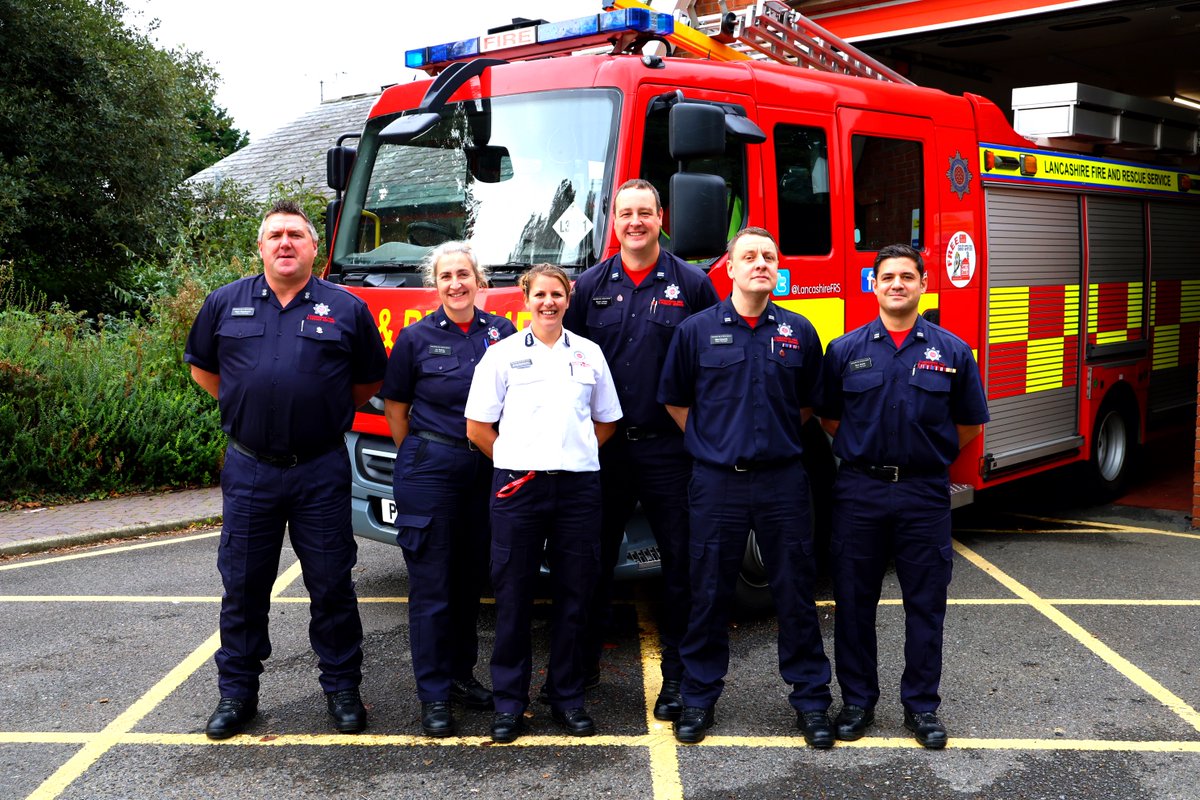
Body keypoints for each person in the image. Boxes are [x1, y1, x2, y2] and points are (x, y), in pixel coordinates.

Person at [185, 200, 388, 739]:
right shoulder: (225, 303)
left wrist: (313, 409)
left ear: (313, 246)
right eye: (275, 234)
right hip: (250, 469)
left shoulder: (346, 309)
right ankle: (237, 695)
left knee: (331, 585)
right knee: (244, 584)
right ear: (260, 245)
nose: (284, 243)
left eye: (295, 234)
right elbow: (205, 370)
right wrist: (246, 408)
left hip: (320, 467)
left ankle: (343, 690)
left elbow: (367, 382)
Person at [657, 227, 833, 747]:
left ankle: (811, 701)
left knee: (796, 593)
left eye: (769, 256)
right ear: (729, 268)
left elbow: (807, 404)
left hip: (782, 482)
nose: (760, 263)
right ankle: (697, 699)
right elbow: (674, 400)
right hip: (716, 484)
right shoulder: (694, 331)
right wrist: (714, 442)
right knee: (707, 592)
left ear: (778, 269)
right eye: (749, 256)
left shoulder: (800, 332)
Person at [818, 243, 988, 749]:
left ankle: (921, 707)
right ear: (873, 285)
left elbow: (968, 424)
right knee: (852, 602)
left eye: (907, 276)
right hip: (860, 490)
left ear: (923, 284)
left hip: (922, 492)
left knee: (925, 603)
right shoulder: (844, 351)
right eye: (887, 276)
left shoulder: (952, 351)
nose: (897, 284)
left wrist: (925, 455)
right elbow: (829, 418)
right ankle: (856, 703)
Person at [562, 178, 718, 719]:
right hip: (602, 451)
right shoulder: (586, 287)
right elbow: (569, 362)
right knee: (587, 563)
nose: (634, 222)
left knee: (682, 568)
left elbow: (711, 363)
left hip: (669, 452)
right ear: (613, 221)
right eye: (625, 213)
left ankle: (677, 679)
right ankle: (577, 676)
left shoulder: (693, 285)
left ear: (660, 218)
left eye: (644, 213)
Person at [464, 264, 623, 744]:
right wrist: (519, 461)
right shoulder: (502, 355)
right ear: (526, 300)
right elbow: (477, 427)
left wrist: (570, 454)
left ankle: (566, 697)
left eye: (557, 294)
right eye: (540, 295)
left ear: (568, 298)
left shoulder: (589, 354)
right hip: (519, 489)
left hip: (577, 489)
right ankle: (510, 703)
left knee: (576, 595)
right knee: (512, 597)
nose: (549, 302)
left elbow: (606, 421)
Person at [379, 242, 517, 737]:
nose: (456, 284)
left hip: (486, 467)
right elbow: (395, 408)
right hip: (432, 467)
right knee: (433, 585)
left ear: (479, 281)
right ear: (434, 285)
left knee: (469, 581)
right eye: (446, 277)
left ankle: (461, 677)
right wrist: (424, 453)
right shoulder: (415, 338)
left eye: (464, 274)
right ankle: (433, 695)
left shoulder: (502, 334)